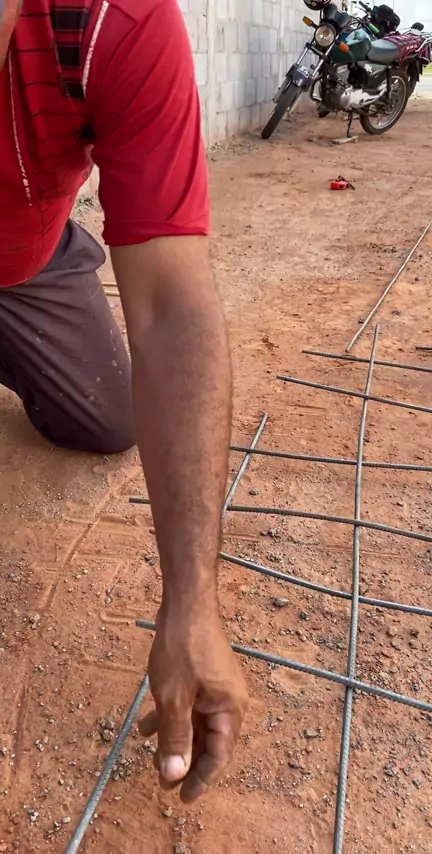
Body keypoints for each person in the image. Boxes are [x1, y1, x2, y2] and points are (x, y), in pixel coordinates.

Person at [0, 0, 248, 803]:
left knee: (105, 418)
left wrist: (191, 603)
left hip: (22, 261)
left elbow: (173, 309)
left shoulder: (114, 21)